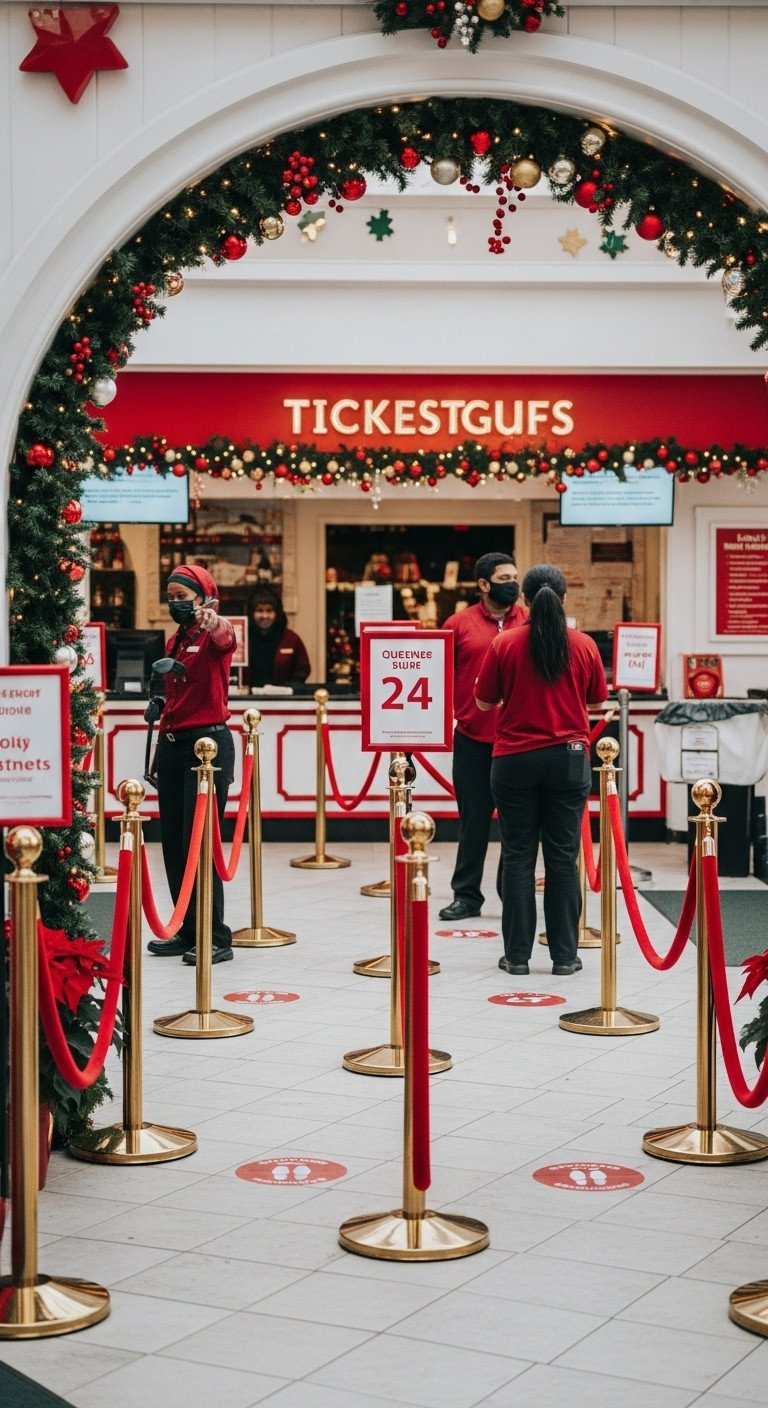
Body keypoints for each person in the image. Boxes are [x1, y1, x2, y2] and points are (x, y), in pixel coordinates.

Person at [475, 563, 608, 976]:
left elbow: (483, 701)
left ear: (524, 599)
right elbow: (597, 703)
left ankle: (517, 957)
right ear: (564, 597)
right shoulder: (583, 645)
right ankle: (565, 957)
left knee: (518, 856)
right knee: (563, 858)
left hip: (513, 759)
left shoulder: (505, 643)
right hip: (568, 758)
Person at [146, 564, 237, 964]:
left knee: (200, 844)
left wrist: (214, 621)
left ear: (204, 598)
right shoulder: (175, 642)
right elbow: (177, 695)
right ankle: (187, 930)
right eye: (171, 597)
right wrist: (161, 709)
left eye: (183, 597)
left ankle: (215, 936)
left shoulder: (212, 635)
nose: (176, 603)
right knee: (174, 845)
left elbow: (226, 636)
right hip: (173, 745)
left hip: (207, 747)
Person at [438, 552, 528, 922]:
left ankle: (512, 894)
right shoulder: (457, 624)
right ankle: (466, 896)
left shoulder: (530, 620)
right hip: (472, 738)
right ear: (483, 584)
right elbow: (439, 674)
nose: (513, 584)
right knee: (472, 822)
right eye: (504, 578)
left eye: (515, 577)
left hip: (519, 740)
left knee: (517, 825)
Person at [247, 585, 311, 687]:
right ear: (251, 613)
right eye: (259, 610)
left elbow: (303, 669)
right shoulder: (242, 639)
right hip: (248, 695)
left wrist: (289, 687)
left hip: (283, 695)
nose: (265, 616)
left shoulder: (291, 638)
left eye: (269, 611)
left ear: (277, 613)